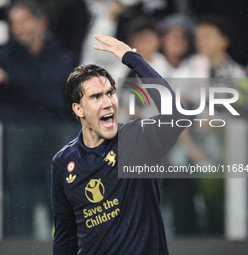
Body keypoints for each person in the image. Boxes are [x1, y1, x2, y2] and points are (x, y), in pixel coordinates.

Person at [52, 35, 186, 254]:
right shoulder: (63, 161)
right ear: (78, 109)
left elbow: (178, 114)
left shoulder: (138, 137)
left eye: (110, 93)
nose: (107, 103)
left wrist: (133, 58)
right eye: (96, 97)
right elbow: (65, 237)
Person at [0, 0, 77, 238]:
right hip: (17, 148)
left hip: (54, 146)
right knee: (19, 201)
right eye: (14, 23)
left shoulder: (62, 58)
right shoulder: (2, 56)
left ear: (41, 23)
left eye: (24, 21)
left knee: (59, 203)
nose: (18, 28)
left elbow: (69, 100)